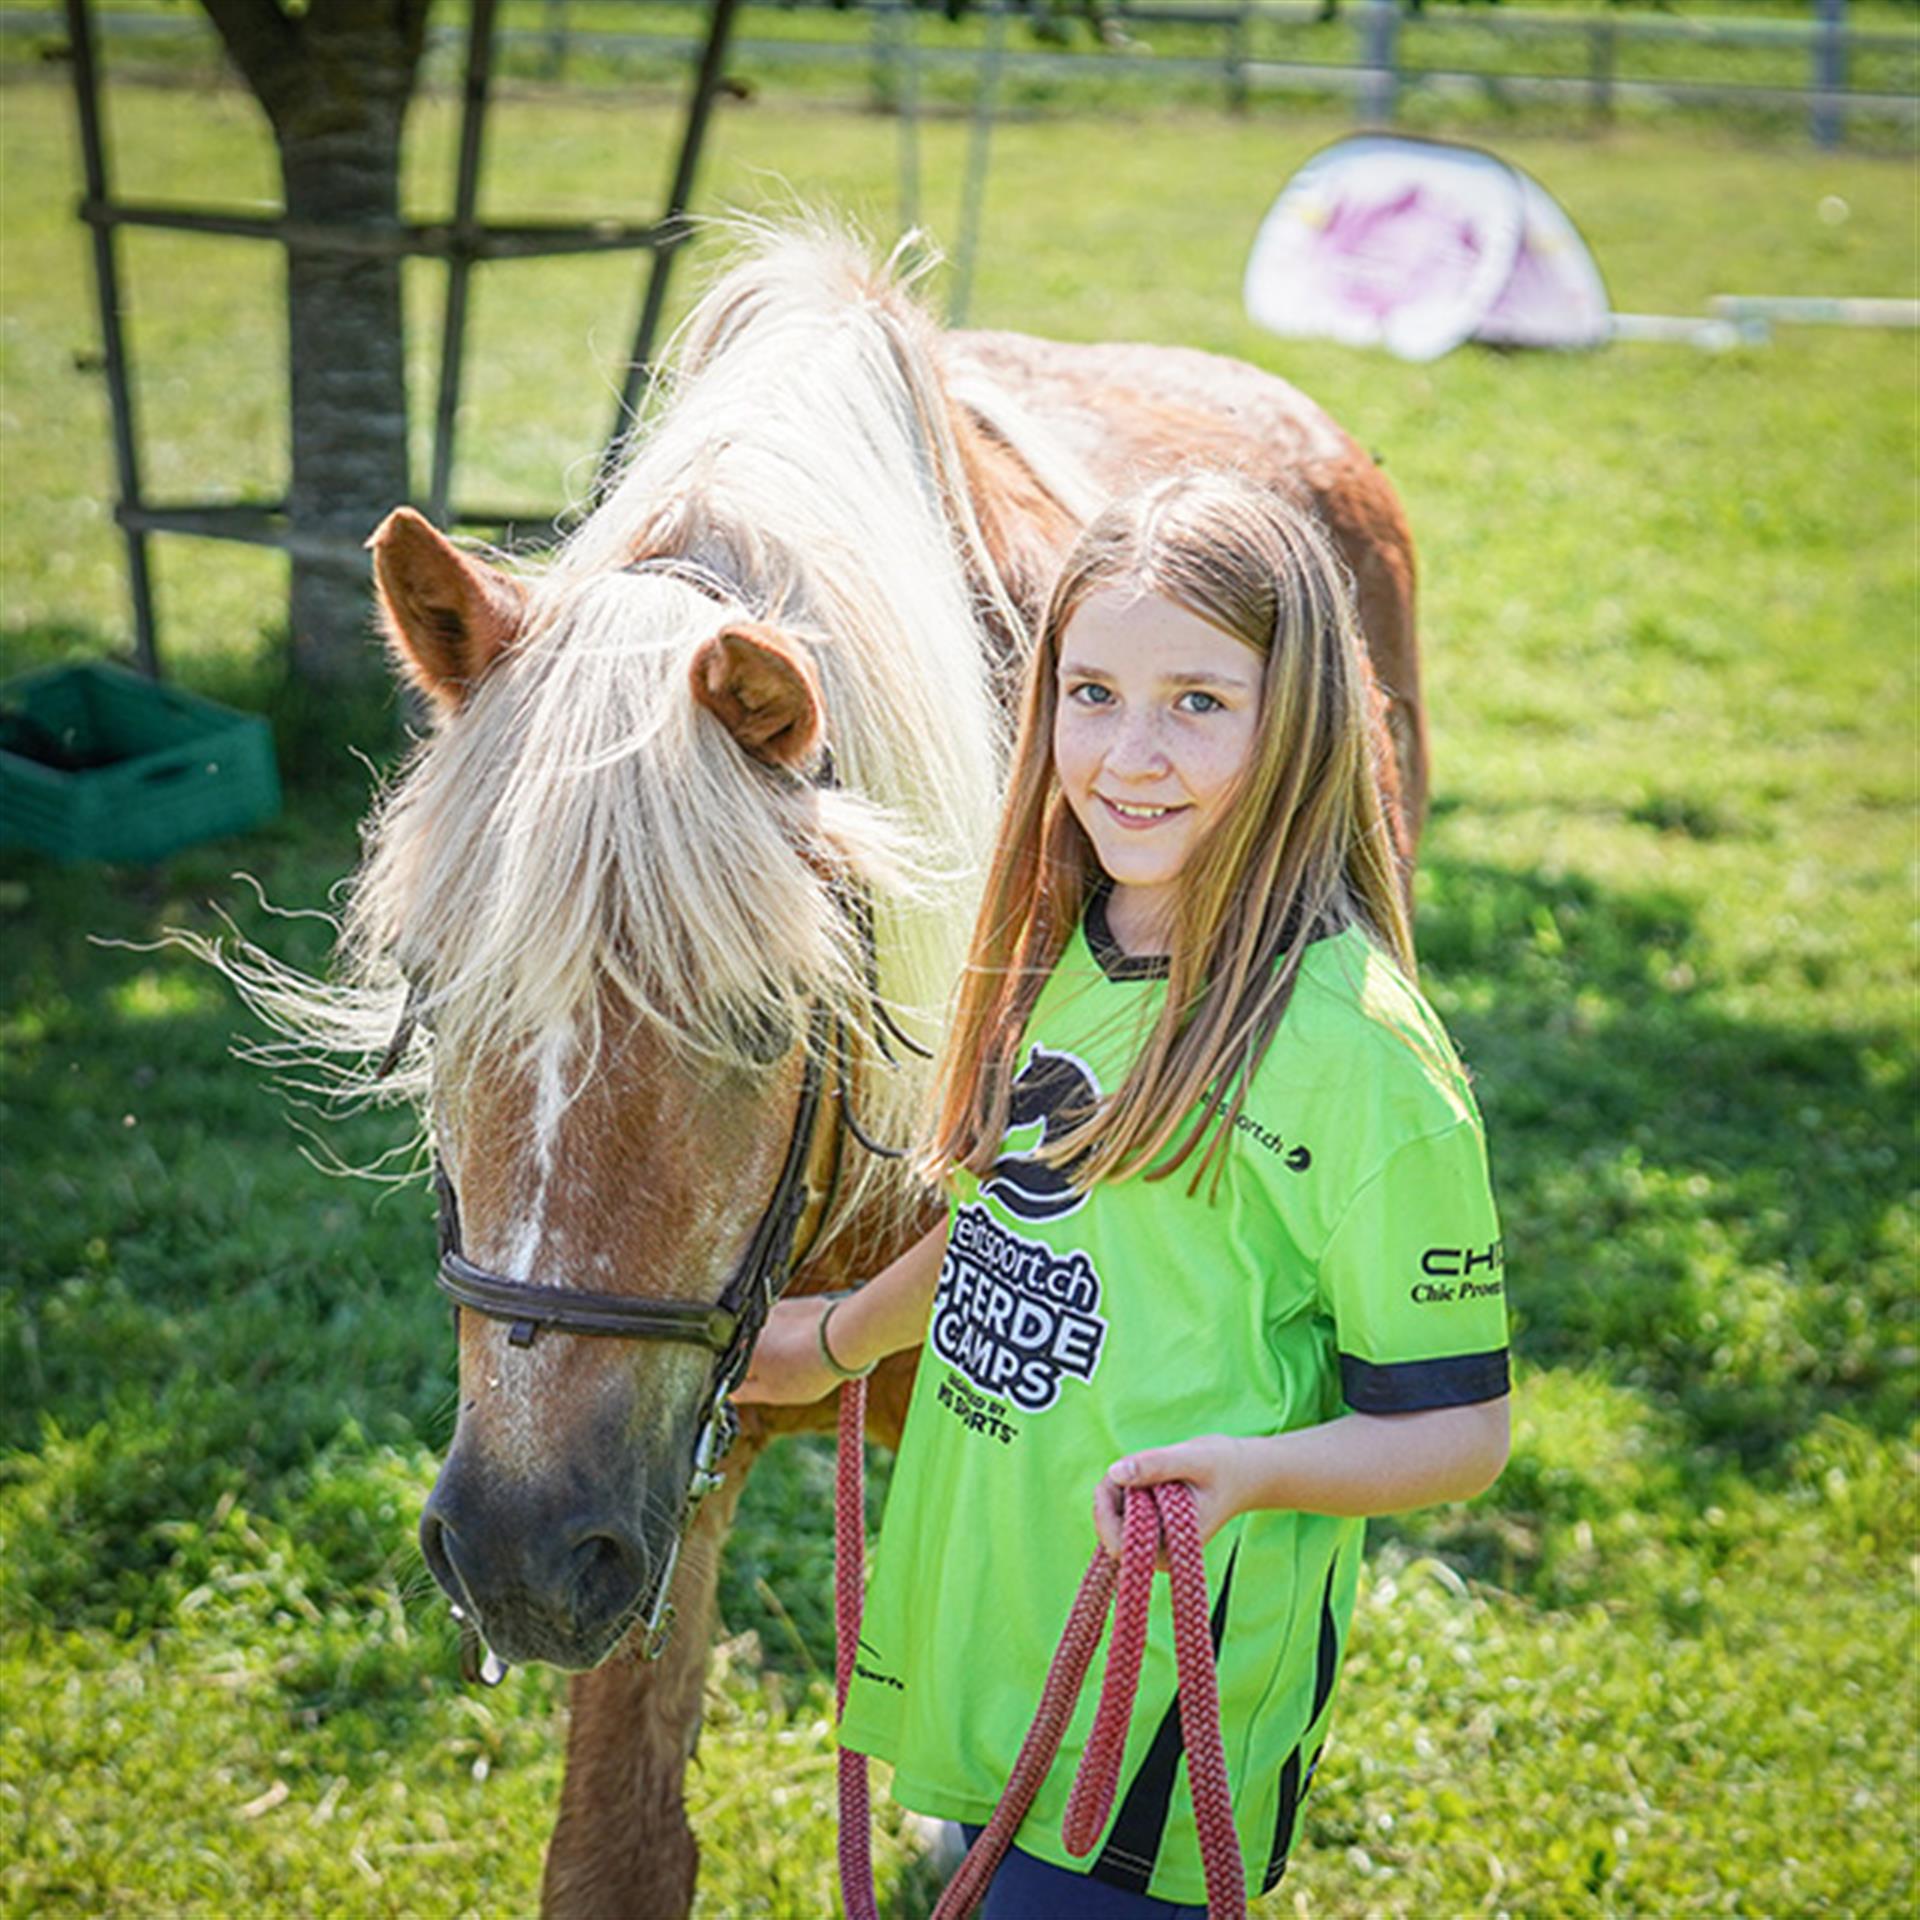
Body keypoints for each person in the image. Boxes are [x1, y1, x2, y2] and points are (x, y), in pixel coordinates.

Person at [735, 470, 1511, 1915]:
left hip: (1160, 1693)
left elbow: (1463, 1430)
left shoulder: (1360, 1061)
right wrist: (840, 1332)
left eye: (1200, 704)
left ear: (1303, 723)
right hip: (992, 1614)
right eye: (1091, 692)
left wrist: (1256, 1476)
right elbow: (1013, 1203)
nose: (1131, 755)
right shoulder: (1057, 942)